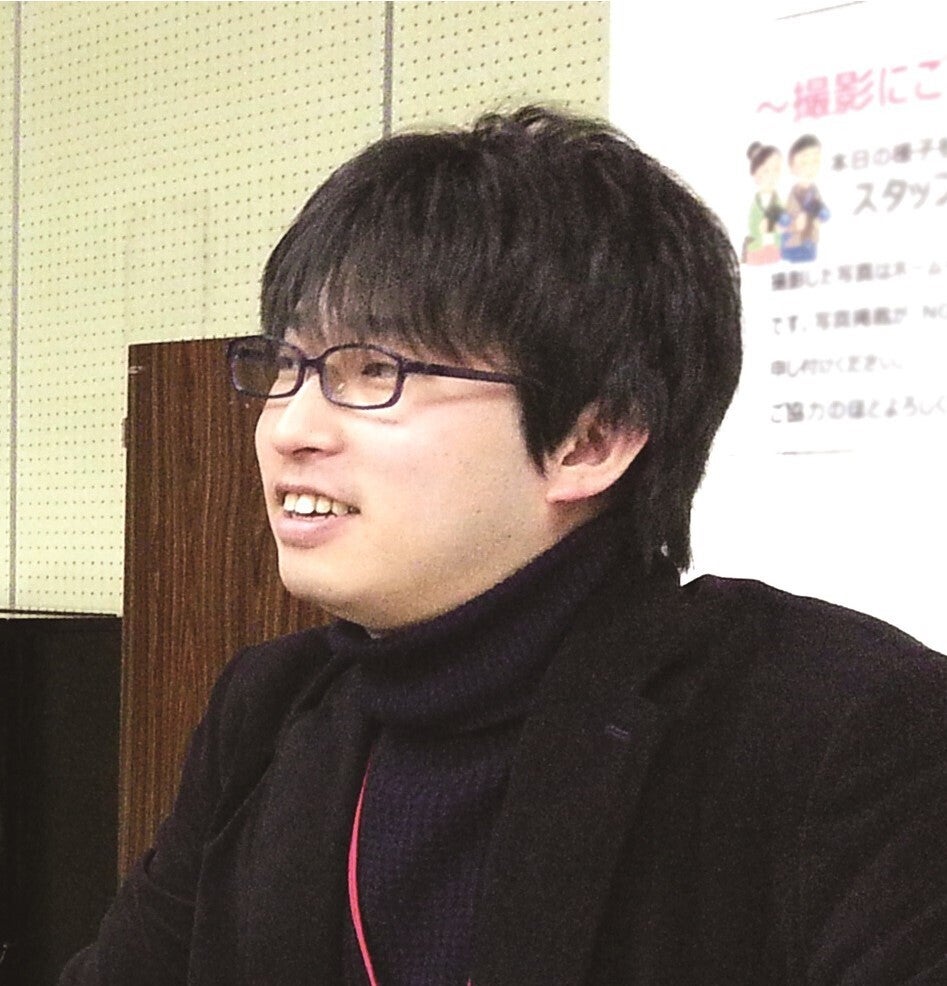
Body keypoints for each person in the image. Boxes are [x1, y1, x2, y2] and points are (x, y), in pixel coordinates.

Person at [60, 106, 947, 985]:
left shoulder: (842, 727)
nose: (289, 428)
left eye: (375, 372)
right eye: (288, 367)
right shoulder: (267, 708)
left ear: (589, 441)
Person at [781, 133, 830, 263]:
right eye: (804, 162)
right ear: (792, 166)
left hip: (810, 243)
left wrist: (821, 216)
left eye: (815, 161)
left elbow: (824, 212)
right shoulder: (791, 193)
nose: (810, 168)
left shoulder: (814, 191)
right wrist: (793, 223)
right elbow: (783, 219)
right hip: (792, 243)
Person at [742, 141, 785, 265]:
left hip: (775, 247)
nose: (772, 176)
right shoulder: (756, 204)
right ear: (756, 175)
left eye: (776, 170)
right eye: (766, 171)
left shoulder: (778, 201)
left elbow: (784, 221)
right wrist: (761, 228)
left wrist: (779, 227)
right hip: (758, 248)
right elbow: (753, 225)